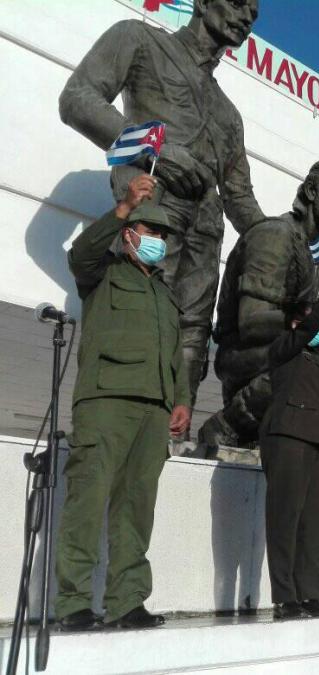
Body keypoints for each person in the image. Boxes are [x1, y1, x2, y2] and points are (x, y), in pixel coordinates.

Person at [59, 0, 266, 411]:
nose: (246, 16)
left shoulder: (230, 115)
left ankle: (174, 436)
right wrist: (157, 148)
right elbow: (77, 99)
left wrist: (281, 237)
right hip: (152, 217)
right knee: (139, 322)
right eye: (238, 3)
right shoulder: (139, 40)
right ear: (203, 2)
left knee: (192, 333)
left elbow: (240, 199)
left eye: (254, 13)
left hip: (205, 237)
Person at [56, 173, 191, 630]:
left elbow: (177, 356)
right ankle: (72, 603)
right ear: (130, 233)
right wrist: (123, 208)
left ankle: (127, 601)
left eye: (163, 235)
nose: (159, 240)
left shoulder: (165, 297)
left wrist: (182, 400)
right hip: (106, 400)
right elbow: (80, 254)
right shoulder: (103, 273)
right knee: (87, 502)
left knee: (136, 508)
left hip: (153, 410)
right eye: (152, 231)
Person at [199, 159, 319, 454]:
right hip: (246, 353)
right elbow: (252, 321)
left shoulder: (312, 255)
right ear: (310, 190)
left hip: (290, 344)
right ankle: (229, 424)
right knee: (308, 357)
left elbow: (309, 318)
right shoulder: (275, 235)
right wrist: (318, 316)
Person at [260, 275, 319, 620]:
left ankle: (308, 594)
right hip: (288, 436)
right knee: (285, 518)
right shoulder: (284, 349)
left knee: (313, 525)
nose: (317, 328)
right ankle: (286, 597)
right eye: (309, 320)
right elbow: (303, 331)